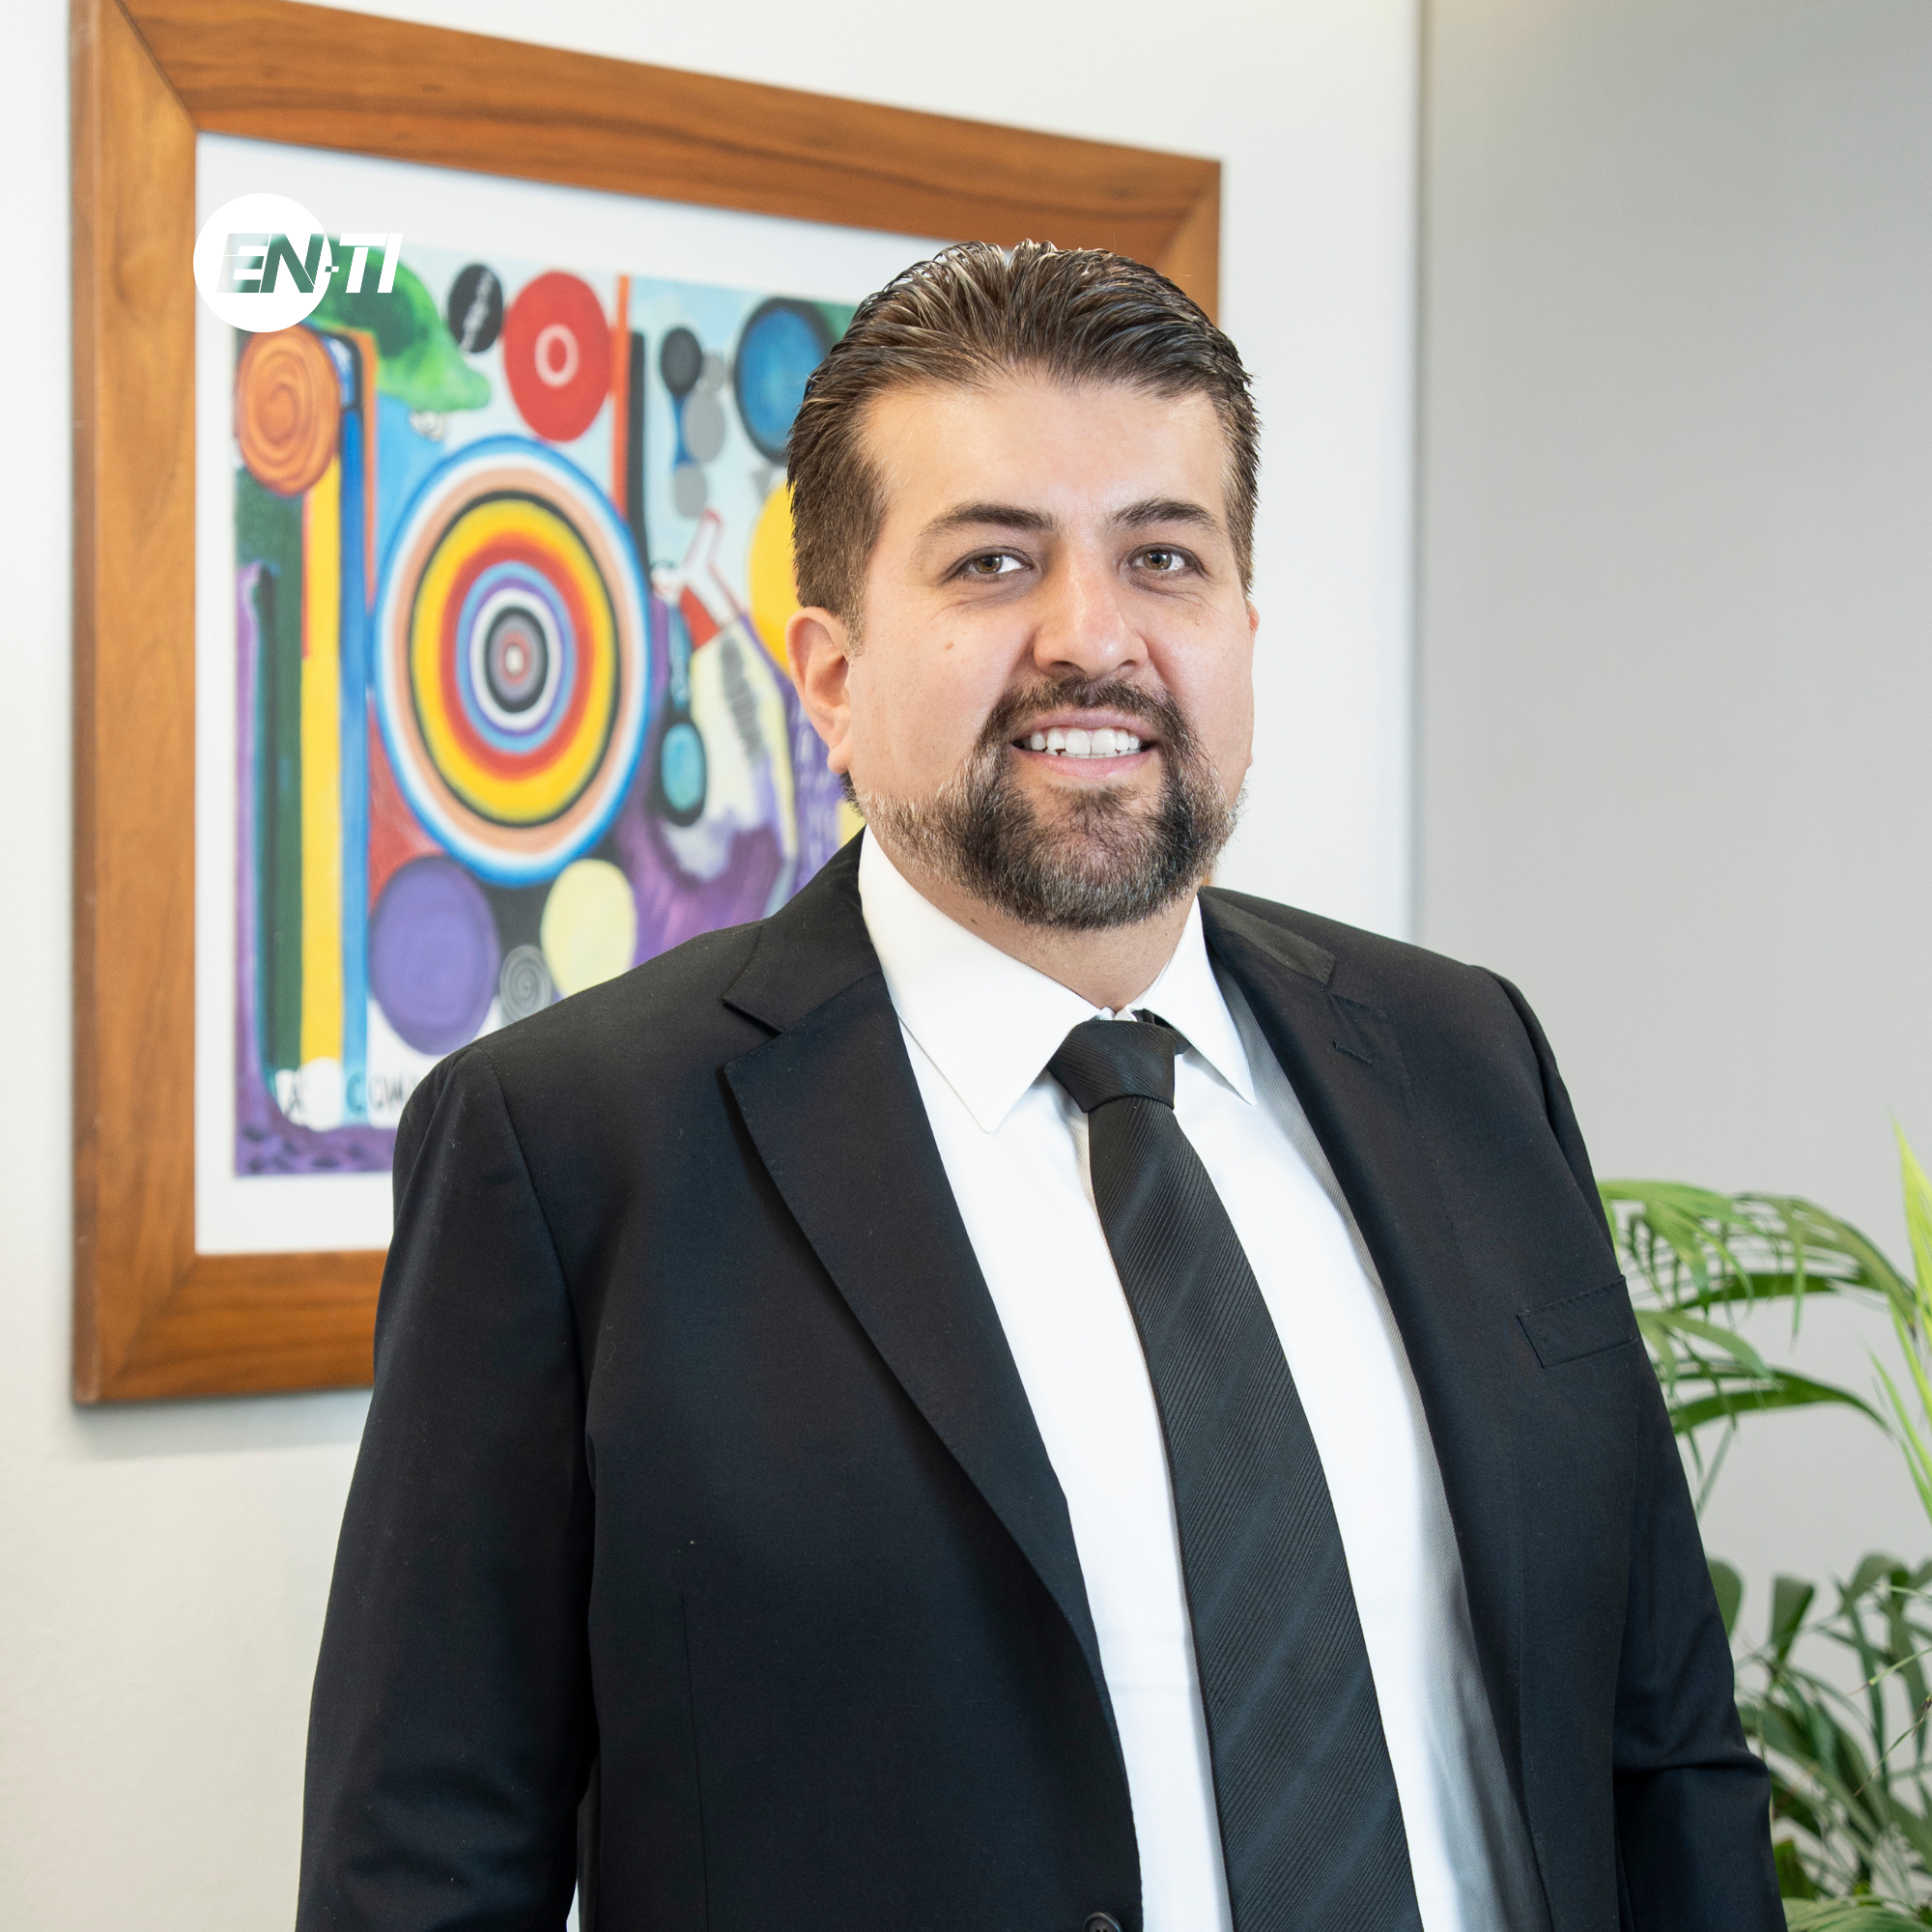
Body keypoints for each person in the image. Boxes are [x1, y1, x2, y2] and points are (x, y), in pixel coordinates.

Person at [298, 242, 1782, 1932]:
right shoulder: (567, 1151)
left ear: (1241, 631)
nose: (1094, 638)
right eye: (993, 560)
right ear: (831, 675)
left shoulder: (1467, 1056)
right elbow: (423, 1868)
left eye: (1165, 557)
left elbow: (1665, 1750)